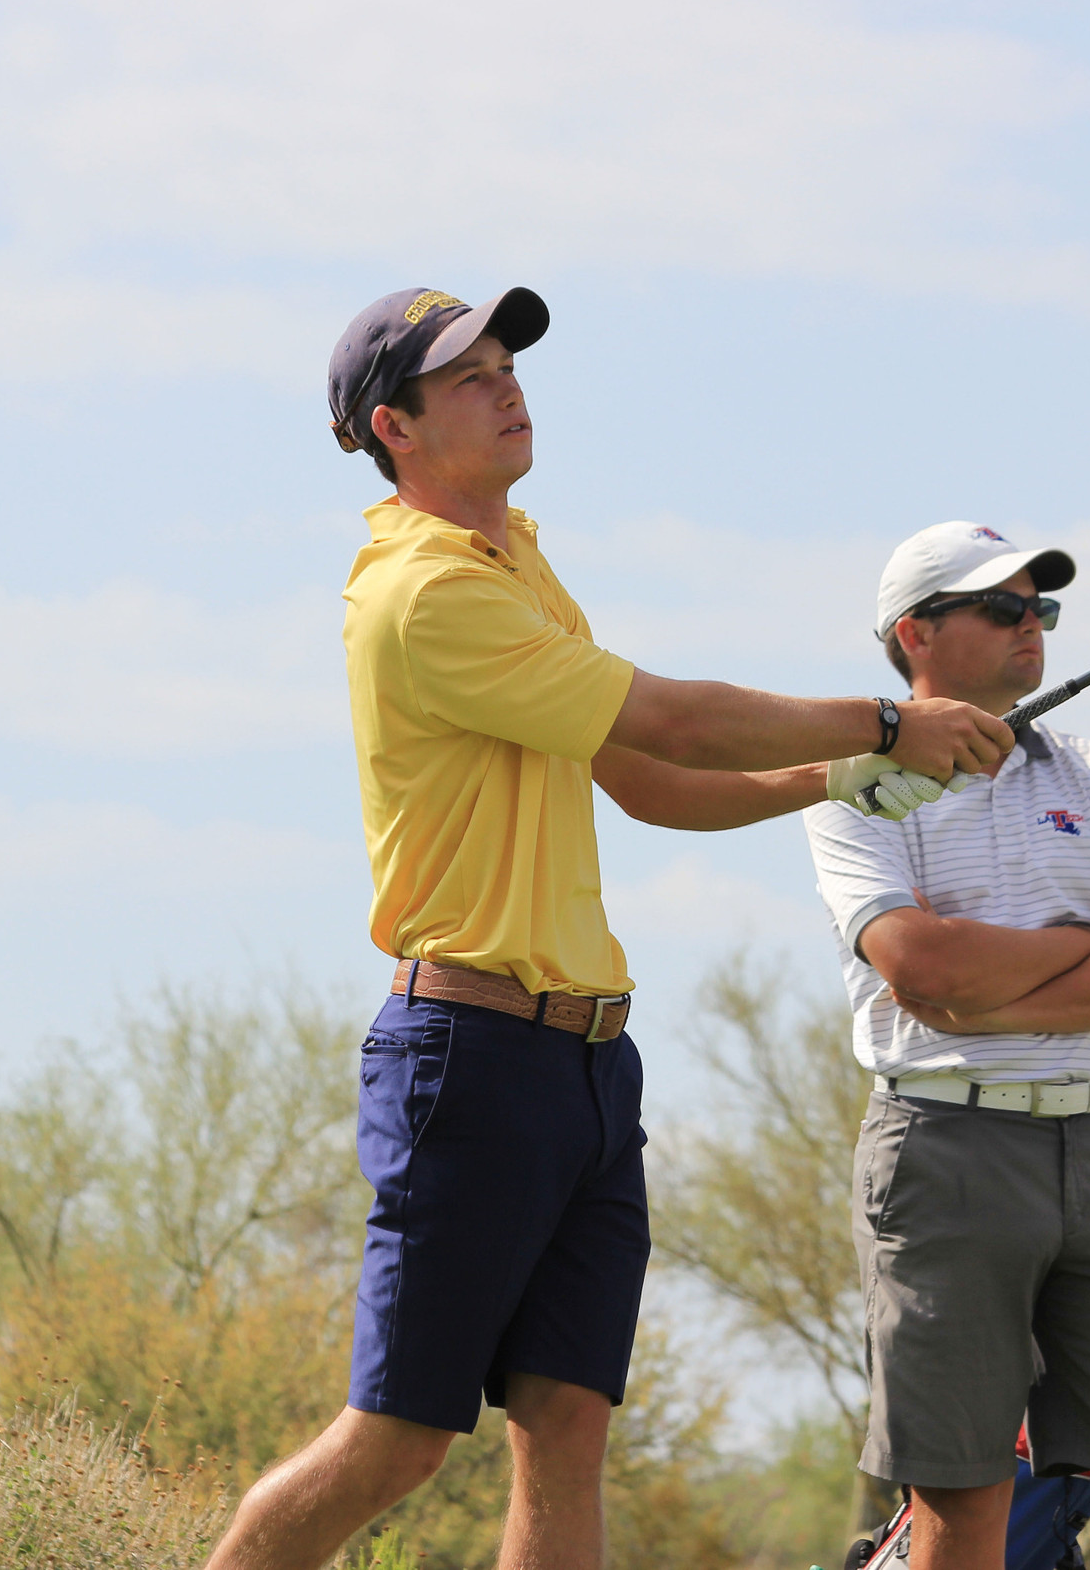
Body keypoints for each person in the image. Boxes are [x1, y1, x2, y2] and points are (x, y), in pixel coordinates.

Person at [201, 289, 1014, 1570]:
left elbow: (647, 780)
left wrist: (841, 778)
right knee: (401, 1436)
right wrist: (877, 727)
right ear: (390, 426)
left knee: (567, 1422)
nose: (507, 382)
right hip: (464, 1056)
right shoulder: (421, 592)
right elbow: (676, 719)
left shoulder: (514, 562)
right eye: (465, 374)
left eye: (506, 361)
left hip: (584, 1061)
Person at [801, 521, 1090, 1570]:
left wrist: (994, 997)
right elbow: (922, 969)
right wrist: (1081, 948)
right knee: (962, 1508)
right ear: (916, 633)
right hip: (942, 1153)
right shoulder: (852, 783)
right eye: (1001, 606)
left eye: (1040, 607)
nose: (1029, 624)